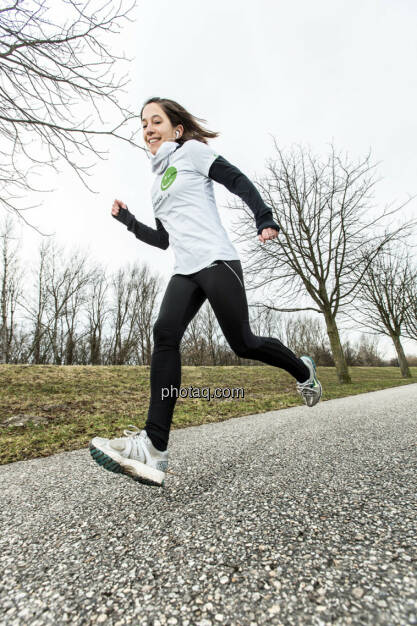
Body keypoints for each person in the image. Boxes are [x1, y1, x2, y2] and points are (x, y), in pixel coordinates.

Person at [89, 97, 322, 488]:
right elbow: (164, 240)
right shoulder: (156, 185)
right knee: (164, 335)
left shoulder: (192, 152)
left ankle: (303, 371)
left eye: (156, 120)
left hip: (217, 261)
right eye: (143, 123)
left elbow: (237, 180)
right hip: (185, 270)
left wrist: (263, 216)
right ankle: (154, 447)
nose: (148, 128)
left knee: (243, 343)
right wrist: (129, 221)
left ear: (176, 129)